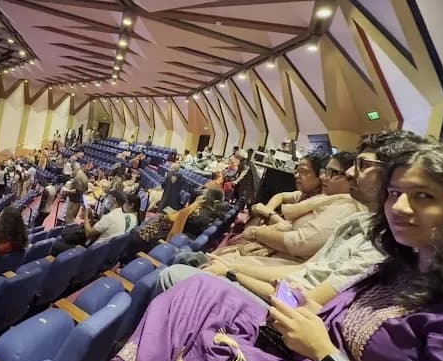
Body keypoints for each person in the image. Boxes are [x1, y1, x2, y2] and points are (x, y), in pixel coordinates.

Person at [103, 143, 443, 361]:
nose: (400, 207)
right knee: (196, 290)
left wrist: (325, 353)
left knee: (183, 283)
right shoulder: (404, 264)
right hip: (300, 351)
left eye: (423, 196)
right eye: (394, 193)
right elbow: (317, 299)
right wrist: (291, 311)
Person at [157, 130, 429, 306]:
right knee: (189, 265)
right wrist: (229, 268)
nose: (348, 175)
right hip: (282, 287)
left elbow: (304, 287)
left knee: (175, 274)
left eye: (363, 165)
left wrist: (232, 271)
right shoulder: (358, 223)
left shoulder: (377, 239)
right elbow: (302, 269)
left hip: (285, 306)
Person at [216, 152, 363, 261]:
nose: (297, 175)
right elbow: (281, 197)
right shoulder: (312, 198)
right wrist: (267, 210)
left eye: (304, 172)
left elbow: (298, 240)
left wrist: (260, 226)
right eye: (297, 170)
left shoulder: (343, 206)